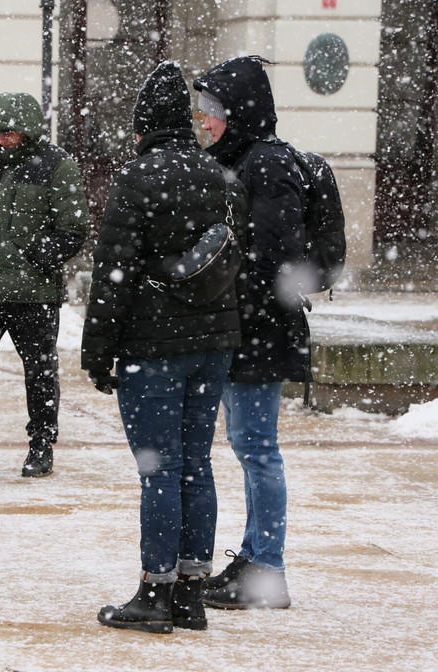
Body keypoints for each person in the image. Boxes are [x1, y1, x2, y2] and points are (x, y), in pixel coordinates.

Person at [82, 61, 245, 633]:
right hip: (214, 342)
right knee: (196, 464)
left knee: (161, 469)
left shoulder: (137, 178)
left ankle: (155, 591)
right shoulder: (221, 177)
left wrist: (97, 350)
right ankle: (190, 593)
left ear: (143, 125)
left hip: (153, 346)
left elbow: (114, 272)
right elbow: (234, 262)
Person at [192, 55, 307, 610]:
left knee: (258, 450)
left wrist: (228, 282)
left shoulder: (266, 164)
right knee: (247, 446)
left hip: (259, 330)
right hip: (244, 328)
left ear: (238, 113)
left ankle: (267, 569)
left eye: (211, 111)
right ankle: (255, 557)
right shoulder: (242, 159)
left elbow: (275, 255)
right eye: (201, 111)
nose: (203, 121)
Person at [0, 92, 89, 477]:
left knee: (40, 372)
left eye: (9, 133)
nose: (2, 140)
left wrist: (34, 259)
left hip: (34, 295)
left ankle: (41, 446)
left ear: (27, 131)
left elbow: (74, 228)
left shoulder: (57, 166)